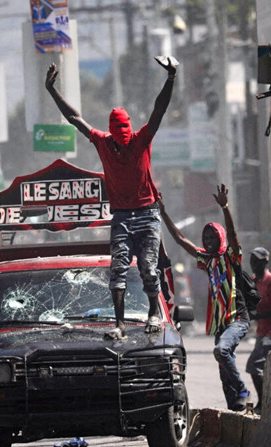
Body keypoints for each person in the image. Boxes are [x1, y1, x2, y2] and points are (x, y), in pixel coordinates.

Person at [45, 55, 177, 340]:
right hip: (121, 216)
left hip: (147, 214)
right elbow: (73, 118)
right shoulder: (103, 142)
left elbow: (158, 110)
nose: (122, 141)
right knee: (117, 269)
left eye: (125, 135)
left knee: (148, 269)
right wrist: (52, 90)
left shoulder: (141, 139)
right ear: (112, 133)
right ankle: (119, 325)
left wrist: (171, 78)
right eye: (119, 137)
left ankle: (154, 313)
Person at [157, 184, 252, 411]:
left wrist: (225, 207)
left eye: (212, 237)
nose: (208, 240)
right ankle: (236, 408)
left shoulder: (231, 256)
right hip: (221, 324)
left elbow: (233, 235)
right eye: (206, 237)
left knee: (221, 352)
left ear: (220, 238)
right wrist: (163, 213)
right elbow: (180, 240)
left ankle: (243, 390)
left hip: (237, 319)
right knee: (222, 368)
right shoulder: (206, 261)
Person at [244, 247, 271, 414]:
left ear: (264, 262)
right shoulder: (254, 280)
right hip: (261, 331)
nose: (253, 264)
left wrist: (258, 316)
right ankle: (269, 402)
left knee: (254, 366)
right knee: (260, 368)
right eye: (251, 260)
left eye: (256, 260)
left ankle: (265, 402)